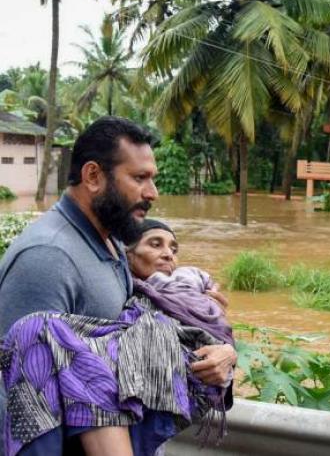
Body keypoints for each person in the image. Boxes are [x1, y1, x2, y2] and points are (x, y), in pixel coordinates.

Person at [0, 117, 236, 455]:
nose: (152, 193)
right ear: (93, 176)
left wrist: (217, 347)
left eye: (151, 178)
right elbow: (17, 398)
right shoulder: (48, 258)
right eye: (139, 178)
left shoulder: (109, 242)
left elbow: (130, 345)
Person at [1, 219, 234, 456]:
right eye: (155, 244)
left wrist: (227, 351)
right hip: (107, 416)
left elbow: (215, 339)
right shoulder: (115, 297)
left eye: (174, 249)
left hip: (161, 398)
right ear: (127, 255)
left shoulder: (189, 294)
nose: (168, 255)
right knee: (37, 328)